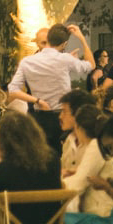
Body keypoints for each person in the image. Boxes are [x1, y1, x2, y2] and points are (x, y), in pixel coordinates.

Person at [7, 23, 95, 152]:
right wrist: (81, 38)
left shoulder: (27, 61)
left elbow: (13, 89)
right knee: (63, 156)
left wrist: (37, 101)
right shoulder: (65, 59)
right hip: (61, 117)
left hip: (38, 117)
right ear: (64, 44)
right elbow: (91, 65)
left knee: (39, 157)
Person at [63, 104, 113, 216]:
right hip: (111, 209)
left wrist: (54, 183)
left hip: (101, 214)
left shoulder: (96, 145)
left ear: (79, 128)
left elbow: (78, 184)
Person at [59, 91, 99, 175]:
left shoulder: (96, 143)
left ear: (78, 113)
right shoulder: (68, 141)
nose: (60, 116)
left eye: (64, 111)